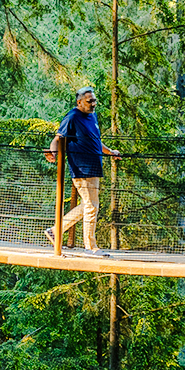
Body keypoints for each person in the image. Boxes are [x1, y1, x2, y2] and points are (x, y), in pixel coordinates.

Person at [45, 85, 122, 252]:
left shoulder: (91, 116)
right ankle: (90, 247)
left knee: (89, 204)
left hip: (94, 167)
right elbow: (58, 138)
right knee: (91, 206)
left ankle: (55, 231)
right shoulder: (72, 117)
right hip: (82, 168)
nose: (93, 103)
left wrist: (110, 152)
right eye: (90, 101)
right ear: (79, 102)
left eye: (94, 100)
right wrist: (53, 152)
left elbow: (95, 141)